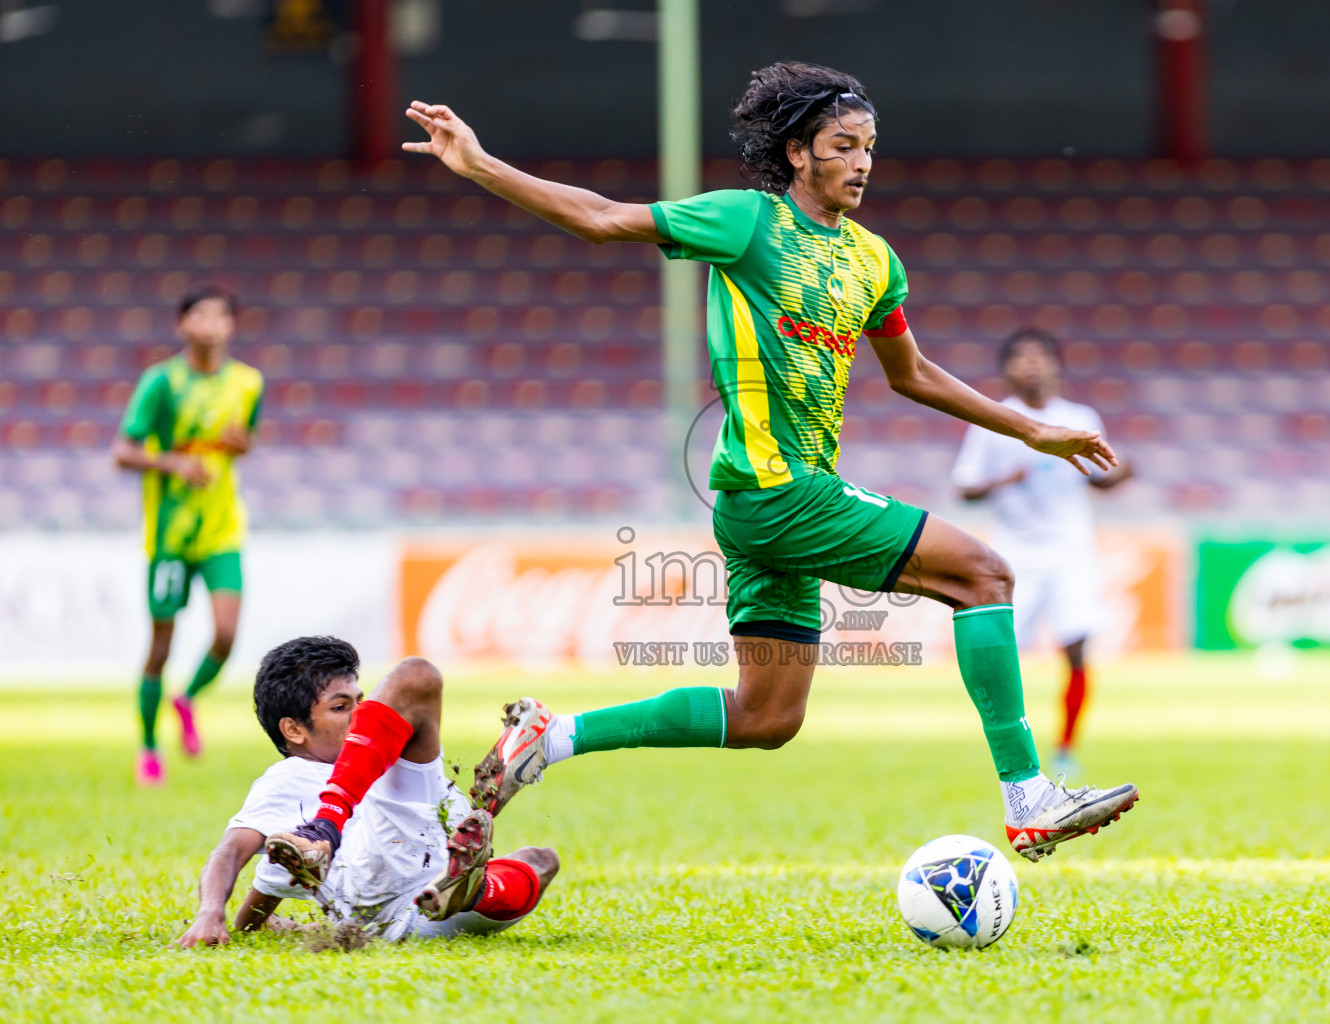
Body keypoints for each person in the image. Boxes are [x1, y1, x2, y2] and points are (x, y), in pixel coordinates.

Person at [274, 60, 1139, 874]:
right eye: (843, 146)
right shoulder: (749, 221)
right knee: (983, 574)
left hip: (774, 503)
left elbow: (910, 374)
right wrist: (483, 165)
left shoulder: (875, 259)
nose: (862, 162)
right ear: (797, 153)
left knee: (767, 718)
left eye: (870, 147)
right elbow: (602, 217)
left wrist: (1030, 430)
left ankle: (552, 736)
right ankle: (1029, 795)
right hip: (779, 489)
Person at [175, 636, 558, 948]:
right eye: (342, 707)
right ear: (293, 730)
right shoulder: (289, 778)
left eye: (363, 704)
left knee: (541, 860)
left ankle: (468, 888)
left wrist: (270, 925)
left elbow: (262, 897)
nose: (361, 717)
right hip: (377, 880)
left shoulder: (373, 758)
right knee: (417, 674)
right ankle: (334, 833)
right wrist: (210, 915)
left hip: (417, 917)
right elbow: (229, 851)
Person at [951, 329, 1135, 779]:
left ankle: (1067, 747)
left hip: (1071, 548)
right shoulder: (993, 420)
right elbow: (965, 486)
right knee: (1004, 654)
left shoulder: (1079, 416)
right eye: (1020, 356)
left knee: (1076, 646)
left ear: (1056, 366)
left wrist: (1123, 471)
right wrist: (1006, 479)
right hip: (1014, 553)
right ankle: (1010, 743)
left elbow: (1101, 475)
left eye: (1040, 355)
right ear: (1007, 369)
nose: (1031, 363)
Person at [111, 285, 264, 786]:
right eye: (200, 315)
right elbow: (123, 450)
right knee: (161, 645)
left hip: (222, 530)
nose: (210, 324)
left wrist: (241, 447)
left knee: (225, 633)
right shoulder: (161, 383)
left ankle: (188, 699)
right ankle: (149, 746)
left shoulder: (247, 382)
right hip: (170, 534)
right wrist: (174, 461)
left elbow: (244, 441)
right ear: (182, 326)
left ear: (231, 326)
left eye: (221, 315)